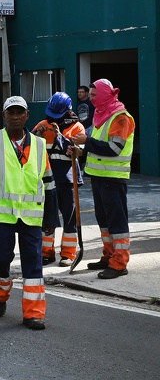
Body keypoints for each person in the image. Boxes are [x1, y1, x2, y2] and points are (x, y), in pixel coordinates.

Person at [0, 96, 58, 331]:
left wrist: (51, 218)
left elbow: (48, 182)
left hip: (31, 216)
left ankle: (34, 313)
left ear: (27, 115)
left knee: (33, 265)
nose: (15, 117)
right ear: (4, 116)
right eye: (11, 113)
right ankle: (0, 294)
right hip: (1, 217)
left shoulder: (39, 145)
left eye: (20, 112)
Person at [69, 79, 135, 279]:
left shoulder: (120, 117)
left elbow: (114, 149)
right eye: (90, 94)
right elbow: (98, 148)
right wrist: (79, 150)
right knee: (104, 220)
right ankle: (109, 256)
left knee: (116, 222)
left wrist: (86, 142)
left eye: (94, 94)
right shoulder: (101, 115)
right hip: (99, 177)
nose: (91, 98)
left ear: (106, 94)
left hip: (113, 178)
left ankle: (120, 262)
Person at [31, 92, 84, 267]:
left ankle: (68, 254)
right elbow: (28, 147)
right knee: (47, 217)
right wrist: (37, 134)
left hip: (67, 179)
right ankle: (47, 253)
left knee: (69, 217)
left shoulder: (77, 128)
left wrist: (59, 135)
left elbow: (74, 151)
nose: (51, 119)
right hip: (46, 179)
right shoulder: (42, 125)